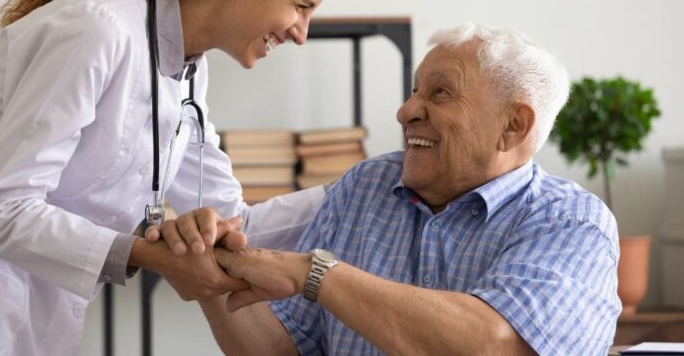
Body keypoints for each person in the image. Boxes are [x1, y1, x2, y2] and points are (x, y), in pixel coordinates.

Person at [0, 0, 344, 354]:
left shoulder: (188, 70)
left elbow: (234, 220)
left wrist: (356, 188)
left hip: (32, 310)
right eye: (301, 6)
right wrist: (152, 256)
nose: (301, 33)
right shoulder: (97, 29)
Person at [198, 24, 622, 355]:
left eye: (440, 93)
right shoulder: (364, 187)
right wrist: (209, 272)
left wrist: (316, 273)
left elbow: (492, 345)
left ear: (514, 126)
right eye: (415, 90)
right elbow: (284, 348)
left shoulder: (572, 223)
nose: (405, 111)